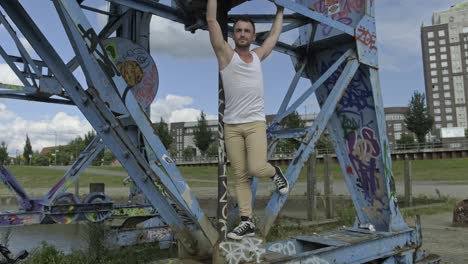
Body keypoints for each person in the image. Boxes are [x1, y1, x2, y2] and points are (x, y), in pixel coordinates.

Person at [206, 0, 289, 240]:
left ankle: (275, 173)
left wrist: (281, 10)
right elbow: (212, 21)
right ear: (233, 34)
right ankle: (246, 221)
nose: (242, 34)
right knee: (240, 176)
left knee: (255, 167)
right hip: (231, 126)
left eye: (247, 31)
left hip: (254, 123)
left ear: (253, 36)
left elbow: (273, 35)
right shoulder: (225, 55)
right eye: (239, 30)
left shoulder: (258, 55)